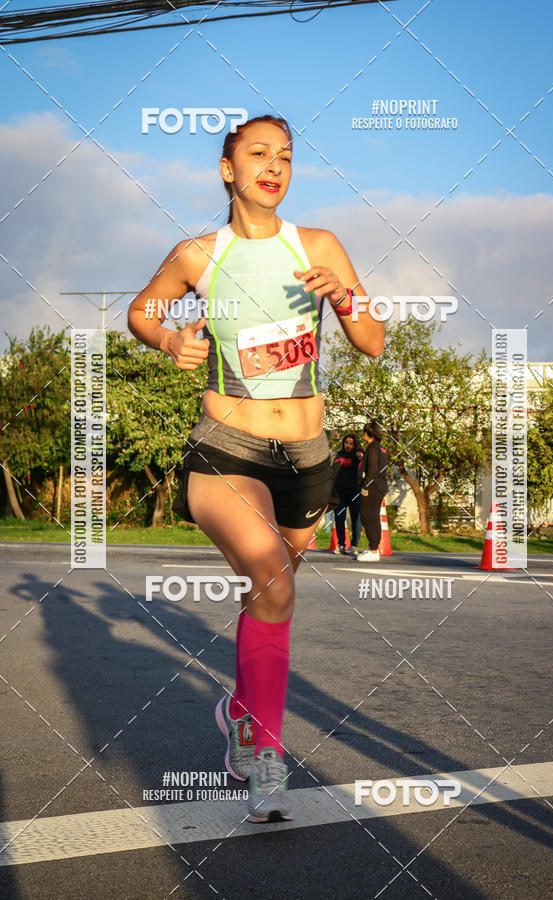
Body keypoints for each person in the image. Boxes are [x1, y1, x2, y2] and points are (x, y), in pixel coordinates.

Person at [127, 115, 384, 823]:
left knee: (269, 593)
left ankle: (241, 711)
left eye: (287, 156)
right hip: (227, 444)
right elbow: (142, 313)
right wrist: (167, 338)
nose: (275, 166)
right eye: (259, 153)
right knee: (270, 575)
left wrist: (344, 298)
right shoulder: (198, 255)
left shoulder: (321, 245)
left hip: (307, 455)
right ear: (227, 168)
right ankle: (266, 757)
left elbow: (373, 341)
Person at [356, 421, 389, 562]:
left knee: (368, 517)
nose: (363, 435)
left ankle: (374, 550)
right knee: (373, 517)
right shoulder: (381, 448)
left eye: (364, 432)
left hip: (373, 486)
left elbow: (373, 470)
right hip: (380, 485)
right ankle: (373, 549)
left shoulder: (373, 448)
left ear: (368, 434)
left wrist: (365, 487)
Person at [332, 433, 363, 554]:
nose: (348, 445)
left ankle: (354, 545)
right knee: (339, 519)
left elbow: (362, 455)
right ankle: (341, 545)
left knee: (356, 520)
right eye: (346, 443)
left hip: (354, 493)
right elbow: (333, 471)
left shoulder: (357, 455)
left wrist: (359, 450)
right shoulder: (339, 455)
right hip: (340, 494)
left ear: (354, 445)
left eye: (351, 443)